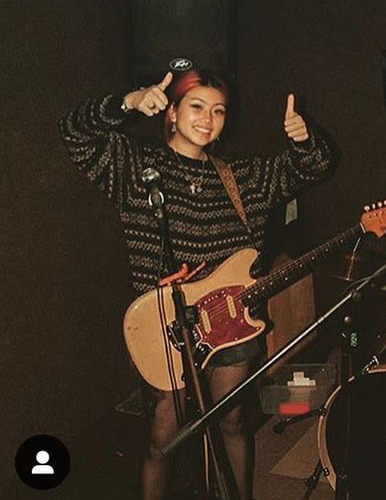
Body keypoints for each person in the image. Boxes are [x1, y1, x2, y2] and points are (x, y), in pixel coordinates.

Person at [59, 68, 335, 500]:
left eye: (219, 110)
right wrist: (127, 103)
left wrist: (304, 137)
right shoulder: (136, 166)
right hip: (165, 322)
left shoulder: (242, 177)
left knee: (233, 421)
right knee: (162, 435)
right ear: (171, 111)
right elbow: (74, 132)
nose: (209, 118)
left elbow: (315, 164)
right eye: (197, 106)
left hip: (233, 322)